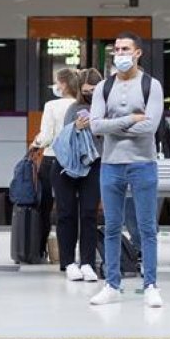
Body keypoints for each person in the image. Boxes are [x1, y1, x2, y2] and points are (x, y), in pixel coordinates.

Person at [79, 32, 165, 308]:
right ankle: (112, 284)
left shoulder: (152, 85)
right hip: (111, 164)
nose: (120, 54)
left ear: (138, 53)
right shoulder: (104, 87)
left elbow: (149, 127)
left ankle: (150, 284)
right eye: (116, 49)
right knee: (113, 226)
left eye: (125, 49)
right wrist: (130, 119)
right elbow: (95, 126)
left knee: (146, 228)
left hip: (143, 163)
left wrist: (113, 125)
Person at [52, 68, 105, 280]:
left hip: (94, 165)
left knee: (89, 213)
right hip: (67, 166)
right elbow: (65, 138)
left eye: (94, 90)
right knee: (66, 214)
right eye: (86, 91)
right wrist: (76, 126)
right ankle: (67, 262)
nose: (90, 94)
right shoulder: (73, 108)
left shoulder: (106, 110)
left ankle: (88, 262)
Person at [32, 68, 79, 271]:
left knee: (45, 208)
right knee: (72, 209)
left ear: (65, 84)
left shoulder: (52, 105)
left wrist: (35, 143)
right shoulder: (82, 105)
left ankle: (41, 249)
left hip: (53, 160)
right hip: (77, 163)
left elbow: (47, 136)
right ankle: (73, 254)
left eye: (57, 83)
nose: (55, 87)